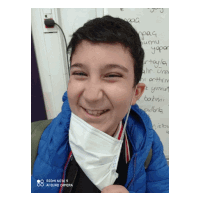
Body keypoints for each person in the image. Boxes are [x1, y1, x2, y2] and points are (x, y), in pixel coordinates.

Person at [31, 15, 169, 193]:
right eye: (80, 73)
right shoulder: (36, 141)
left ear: (136, 93)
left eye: (112, 75)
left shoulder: (147, 147)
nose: (92, 96)